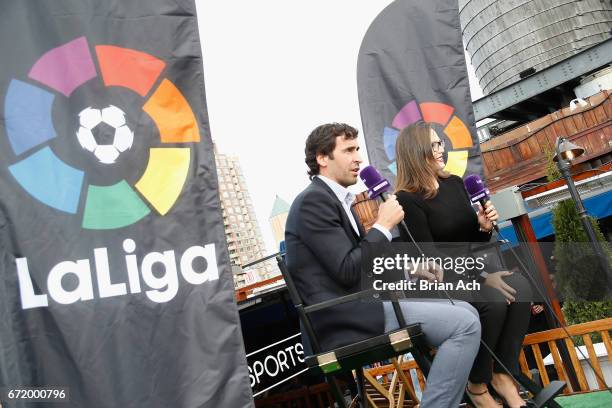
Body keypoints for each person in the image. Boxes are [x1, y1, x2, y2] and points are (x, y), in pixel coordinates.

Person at [285, 122, 481, 408]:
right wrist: (383, 226)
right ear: (322, 159)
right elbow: (349, 270)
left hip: (360, 306)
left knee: (465, 310)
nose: (358, 158)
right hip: (343, 319)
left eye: (358, 149)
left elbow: (361, 267)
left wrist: (409, 270)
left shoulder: (334, 200)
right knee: (463, 324)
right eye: (348, 150)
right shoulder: (312, 203)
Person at [393, 121, 532, 408]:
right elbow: (431, 259)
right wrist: (483, 278)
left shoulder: (455, 184)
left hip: (472, 273)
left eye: (440, 142)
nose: (440, 149)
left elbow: (471, 243)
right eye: (433, 145)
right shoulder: (406, 200)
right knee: (493, 300)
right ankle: (478, 385)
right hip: (440, 284)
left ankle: (502, 375)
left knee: (520, 287)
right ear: (416, 152)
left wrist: (482, 227)